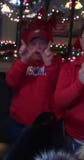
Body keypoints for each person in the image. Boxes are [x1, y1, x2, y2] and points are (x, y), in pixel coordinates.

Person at [5, 19, 63, 159]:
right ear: (28, 46)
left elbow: (57, 87)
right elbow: (11, 82)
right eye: (34, 43)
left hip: (46, 126)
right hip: (19, 123)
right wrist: (23, 61)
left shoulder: (56, 62)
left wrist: (49, 65)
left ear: (49, 44)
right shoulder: (22, 61)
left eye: (42, 42)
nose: (38, 47)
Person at [53, 25, 84, 153]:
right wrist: (80, 83)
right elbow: (59, 101)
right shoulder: (69, 68)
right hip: (73, 138)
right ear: (81, 40)